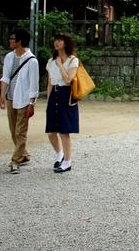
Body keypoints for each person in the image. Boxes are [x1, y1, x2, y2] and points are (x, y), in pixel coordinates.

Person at [0, 28, 39, 174]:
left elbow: (34, 85)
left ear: (19, 41)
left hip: (23, 100)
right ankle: (24, 154)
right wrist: (2, 96)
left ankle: (15, 160)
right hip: (11, 97)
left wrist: (32, 103)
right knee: (12, 130)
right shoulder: (9, 57)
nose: (10, 40)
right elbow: (5, 77)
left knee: (20, 132)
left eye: (12, 38)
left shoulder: (32, 60)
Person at [45, 33, 80, 173]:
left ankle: (67, 161)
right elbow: (49, 83)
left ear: (66, 43)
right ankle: (59, 154)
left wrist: (60, 64)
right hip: (54, 94)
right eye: (55, 39)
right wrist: (48, 101)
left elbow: (68, 80)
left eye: (60, 40)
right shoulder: (50, 61)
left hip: (66, 95)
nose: (56, 42)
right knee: (51, 130)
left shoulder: (73, 60)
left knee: (64, 131)